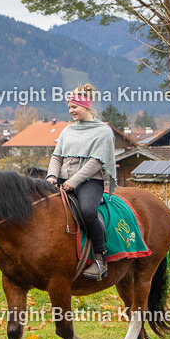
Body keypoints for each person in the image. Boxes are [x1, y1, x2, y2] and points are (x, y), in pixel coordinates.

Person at [45, 83, 117, 280]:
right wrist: (51, 176)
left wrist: (73, 182)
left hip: (88, 182)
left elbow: (95, 163)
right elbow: (56, 156)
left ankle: (100, 259)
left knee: (87, 211)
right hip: (61, 179)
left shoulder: (103, 132)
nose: (71, 111)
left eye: (74, 107)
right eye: (69, 108)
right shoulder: (67, 131)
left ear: (86, 106)